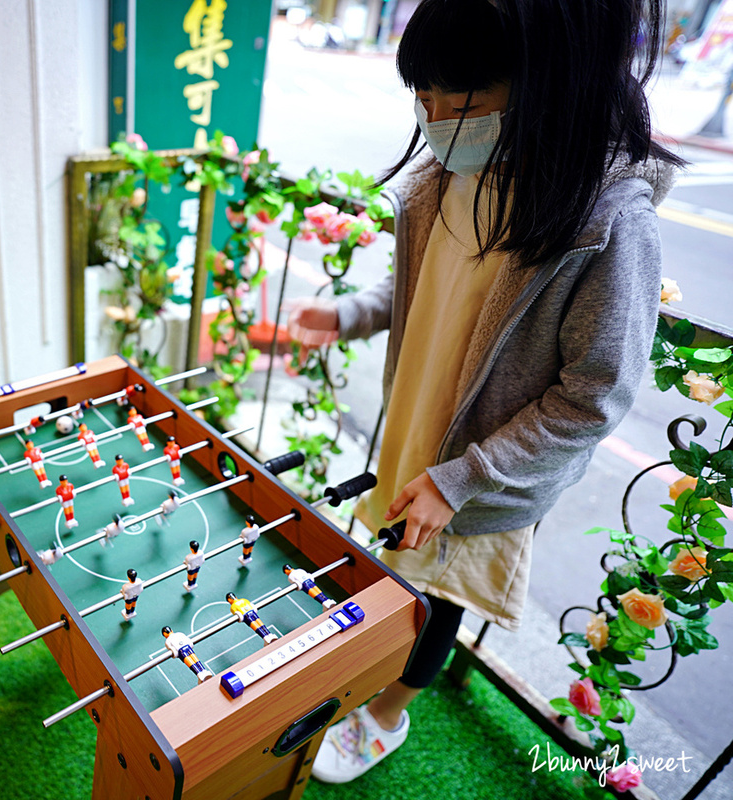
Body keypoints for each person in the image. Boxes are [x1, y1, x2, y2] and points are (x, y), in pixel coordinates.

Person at [285, 0, 683, 785]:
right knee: (400, 575)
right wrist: (350, 313)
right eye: (421, 99)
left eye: (455, 100)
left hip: (484, 474)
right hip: (413, 429)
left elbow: (592, 397)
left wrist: (463, 478)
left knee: (437, 599)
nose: (432, 120)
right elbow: (426, 294)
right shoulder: (449, 177)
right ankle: (371, 676)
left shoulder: (608, 219)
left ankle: (387, 716)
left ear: (543, 85)